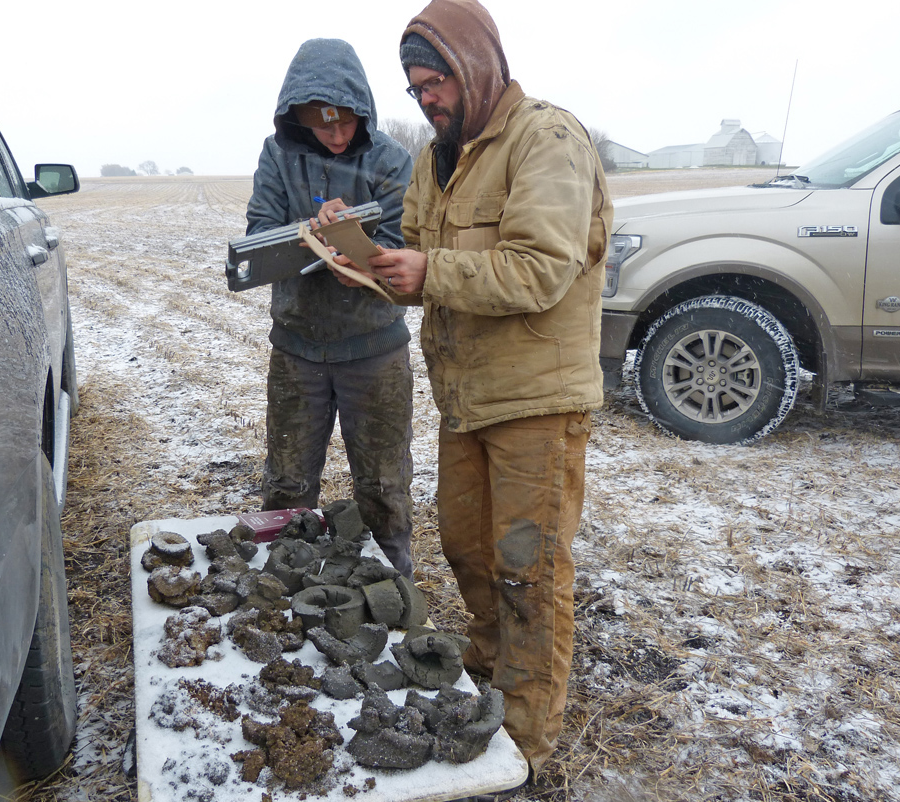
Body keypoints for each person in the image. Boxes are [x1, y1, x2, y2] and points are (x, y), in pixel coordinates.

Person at [362, 0, 615, 788]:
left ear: (476, 67)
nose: (426, 99)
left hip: (537, 401)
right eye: (414, 90)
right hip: (466, 397)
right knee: (466, 547)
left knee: (528, 571)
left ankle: (527, 746)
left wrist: (431, 272)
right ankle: (488, 680)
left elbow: (542, 268)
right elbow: (418, 261)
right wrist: (368, 258)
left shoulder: (546, 140)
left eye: (433, 82)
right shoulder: (437, 156)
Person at [245, 38, 416, 577]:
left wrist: (356, 237)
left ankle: (395, 591)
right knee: (287, 482)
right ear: (297, 118)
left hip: (375, 350)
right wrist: (307, 235)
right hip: (296, 349)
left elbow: (402, 242)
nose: (337, 135)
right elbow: (258, 234)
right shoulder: (278, 155)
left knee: (384, 484)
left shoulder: (393, 160)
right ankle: (284, 585)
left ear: (362, 113)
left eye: (345, 123)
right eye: (323, 125)